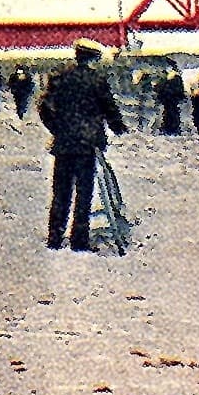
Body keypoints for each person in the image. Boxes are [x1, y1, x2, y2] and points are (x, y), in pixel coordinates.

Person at [36, 39, 126, 251]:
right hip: (88, 145)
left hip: (65, 144)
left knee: (61, 193)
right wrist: (118, 126)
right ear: (93, 59)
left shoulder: (60, 77)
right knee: (84, 194)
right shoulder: (97, 80)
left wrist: (57, 129)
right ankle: (79, 241)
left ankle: (55, 239)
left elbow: (44, 108)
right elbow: (110, 109)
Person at [156, 65, 186, 136]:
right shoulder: (167, 79)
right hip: (169, 101)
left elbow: (179, 91)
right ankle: (169, 128)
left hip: (172, 101)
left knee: (172, 115)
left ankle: (172, 129)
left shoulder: (176, 79)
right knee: (169, 115)